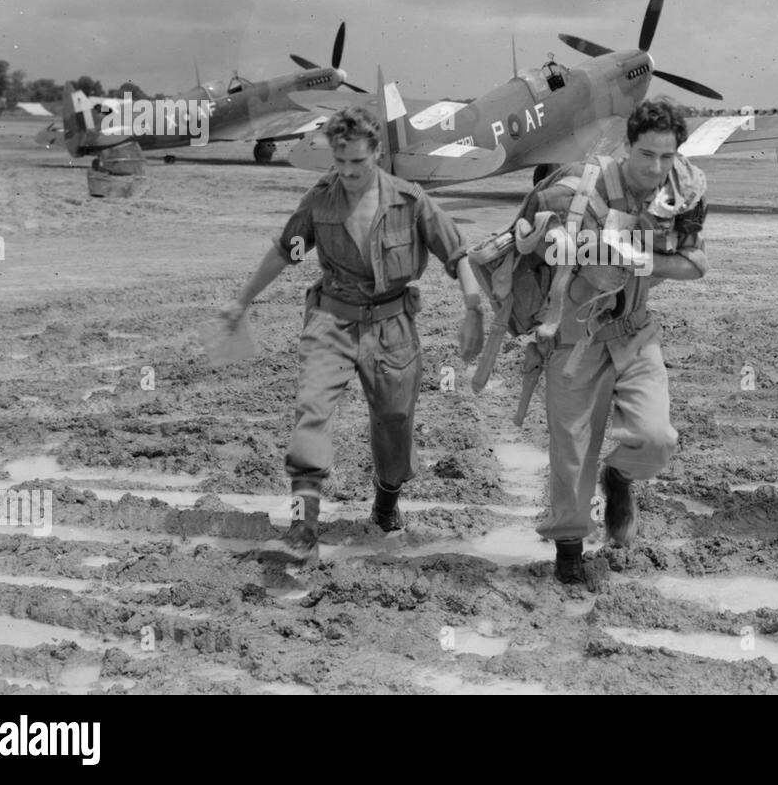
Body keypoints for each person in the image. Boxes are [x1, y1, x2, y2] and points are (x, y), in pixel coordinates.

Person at [219, 106, 484, 562]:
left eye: (358, 164)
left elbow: (457, 253)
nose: (348, 173)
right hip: (331, 319)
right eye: (339, 164)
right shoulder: (321, 199)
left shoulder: (410, 200)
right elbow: (285, 251)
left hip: (392, 327)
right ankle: (305, 526)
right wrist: (241, 301)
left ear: (376, 153)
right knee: (313, 412)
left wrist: (473, 305)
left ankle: (386, 503)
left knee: (394, 422)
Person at [518, 98, 707, 584]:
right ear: (627, 146)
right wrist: (577, 256)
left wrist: (637, 261)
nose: (657, 167)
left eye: (667, 156)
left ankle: (619, 477)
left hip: (635, 332)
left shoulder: (683, 192)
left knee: (657, 438)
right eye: (647, 155)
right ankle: (568, 550)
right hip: (575, 337)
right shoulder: (578, 188)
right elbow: (527, 244)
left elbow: (695, 263)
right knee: (572, 453)